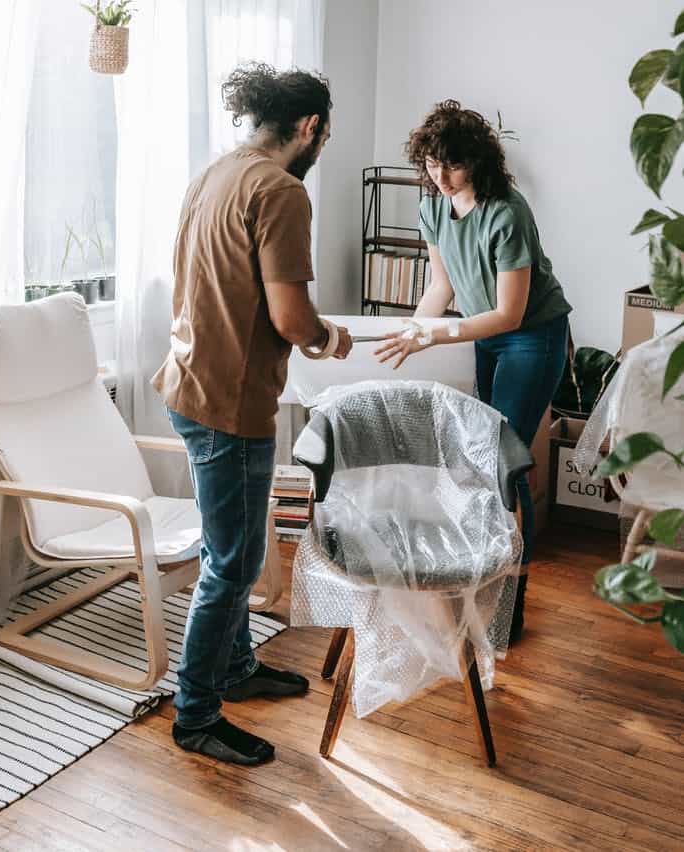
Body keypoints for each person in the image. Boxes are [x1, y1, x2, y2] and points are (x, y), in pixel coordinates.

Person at [152, 63, 353, 766]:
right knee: (233, 564)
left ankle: (235, 671)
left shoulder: (215, 174)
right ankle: (196, 714)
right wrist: (331, 339)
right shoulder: (281, 190)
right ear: (309, 128)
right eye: (325, 131)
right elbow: (292, 318)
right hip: (228, 400)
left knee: (227, 547)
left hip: (187, 382)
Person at [374, 100, 571, 641]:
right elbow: (443, 287)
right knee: (487, 460)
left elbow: (510, 312)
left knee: (504, 464)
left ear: (478, 161)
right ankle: (482, 590)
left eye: (452, 164)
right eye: (432, 163)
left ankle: (511, 607)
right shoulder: (433, 208)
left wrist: (436, 334)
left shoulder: (508, 212)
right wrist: (412, 332)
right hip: (484, 334)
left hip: (532, 335)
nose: (440, 175)